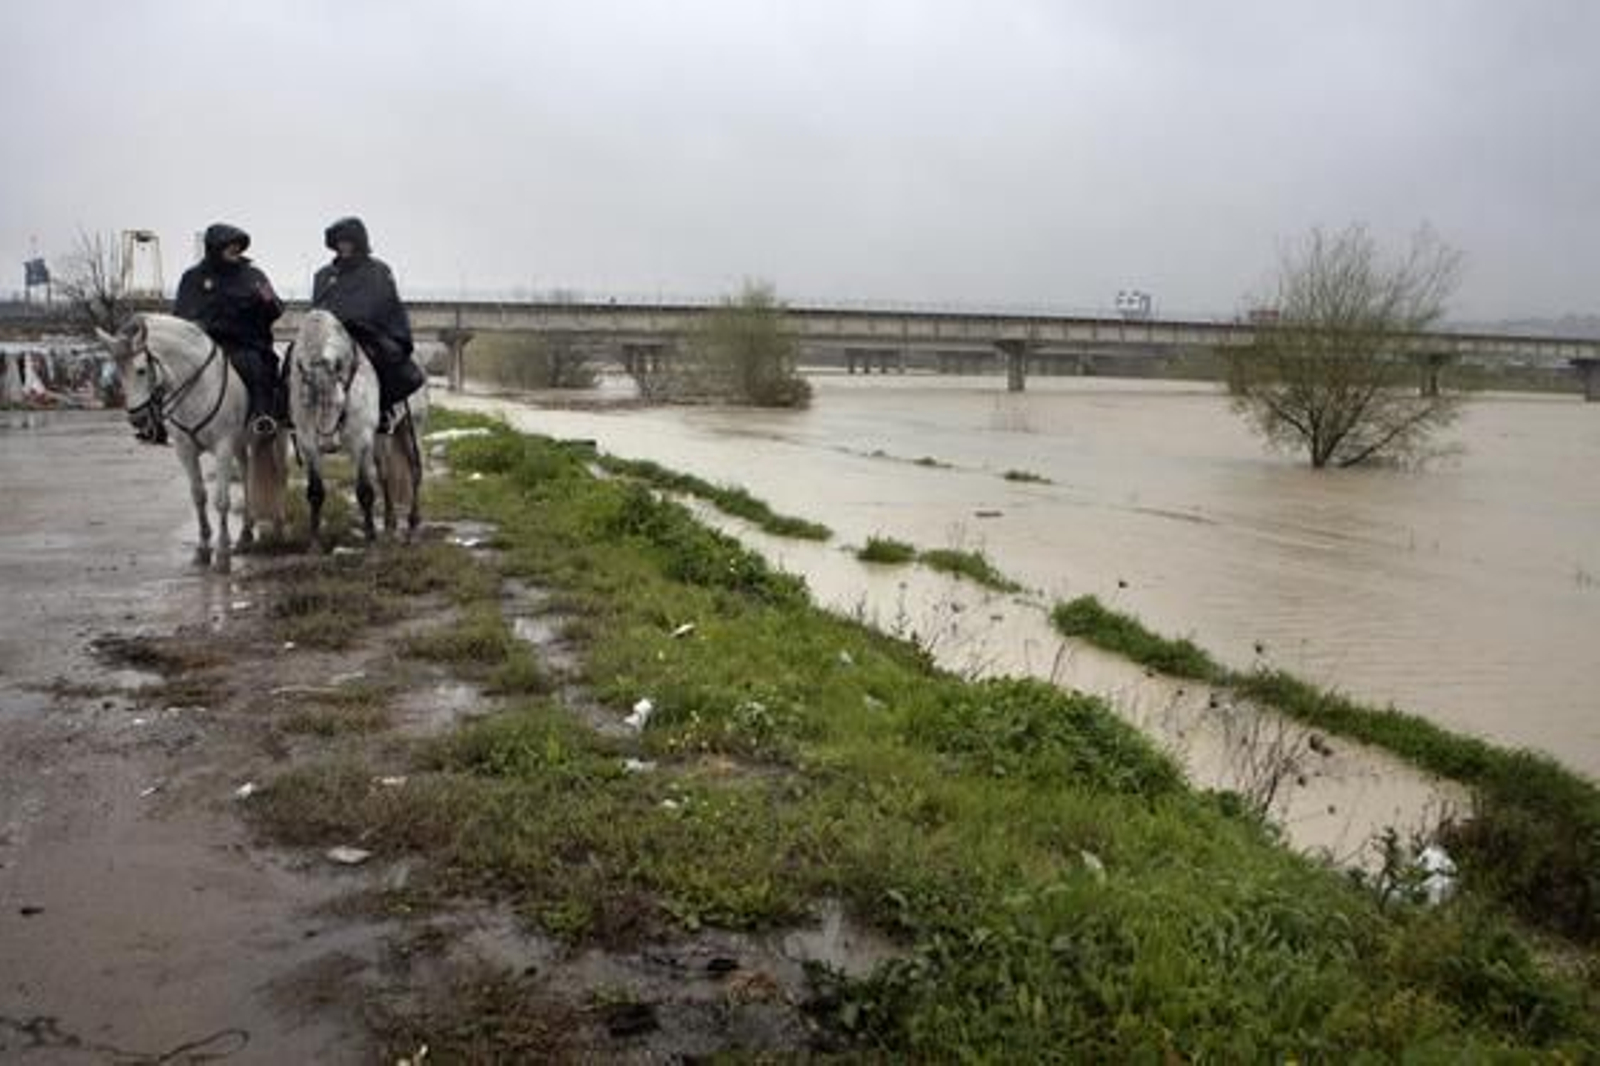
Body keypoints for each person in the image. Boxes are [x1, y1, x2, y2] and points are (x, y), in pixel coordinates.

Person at [311, 217, 424, 431]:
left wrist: (357, 320)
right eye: (339, 242)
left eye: (348, 241)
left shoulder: (378, 271)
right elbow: (318, 308)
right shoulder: (325, 275)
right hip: (331, 336)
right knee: (299, 362)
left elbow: (383, 303)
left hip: (367, 334)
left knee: (386, 362)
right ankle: (295, 413)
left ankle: (384, 408)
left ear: (358, 242)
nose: (343, 246)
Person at [172, 223, 284, 435]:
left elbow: (276, 308)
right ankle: (162, 421)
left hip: (244, 344)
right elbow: (182, 315)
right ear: (215, 248)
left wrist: (267, 299)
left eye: (238, 246)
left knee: (255, 365)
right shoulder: (193, 277)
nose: (236, 250)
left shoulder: (254, 275)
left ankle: (262, 415)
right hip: (204, 344)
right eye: (230, 246)